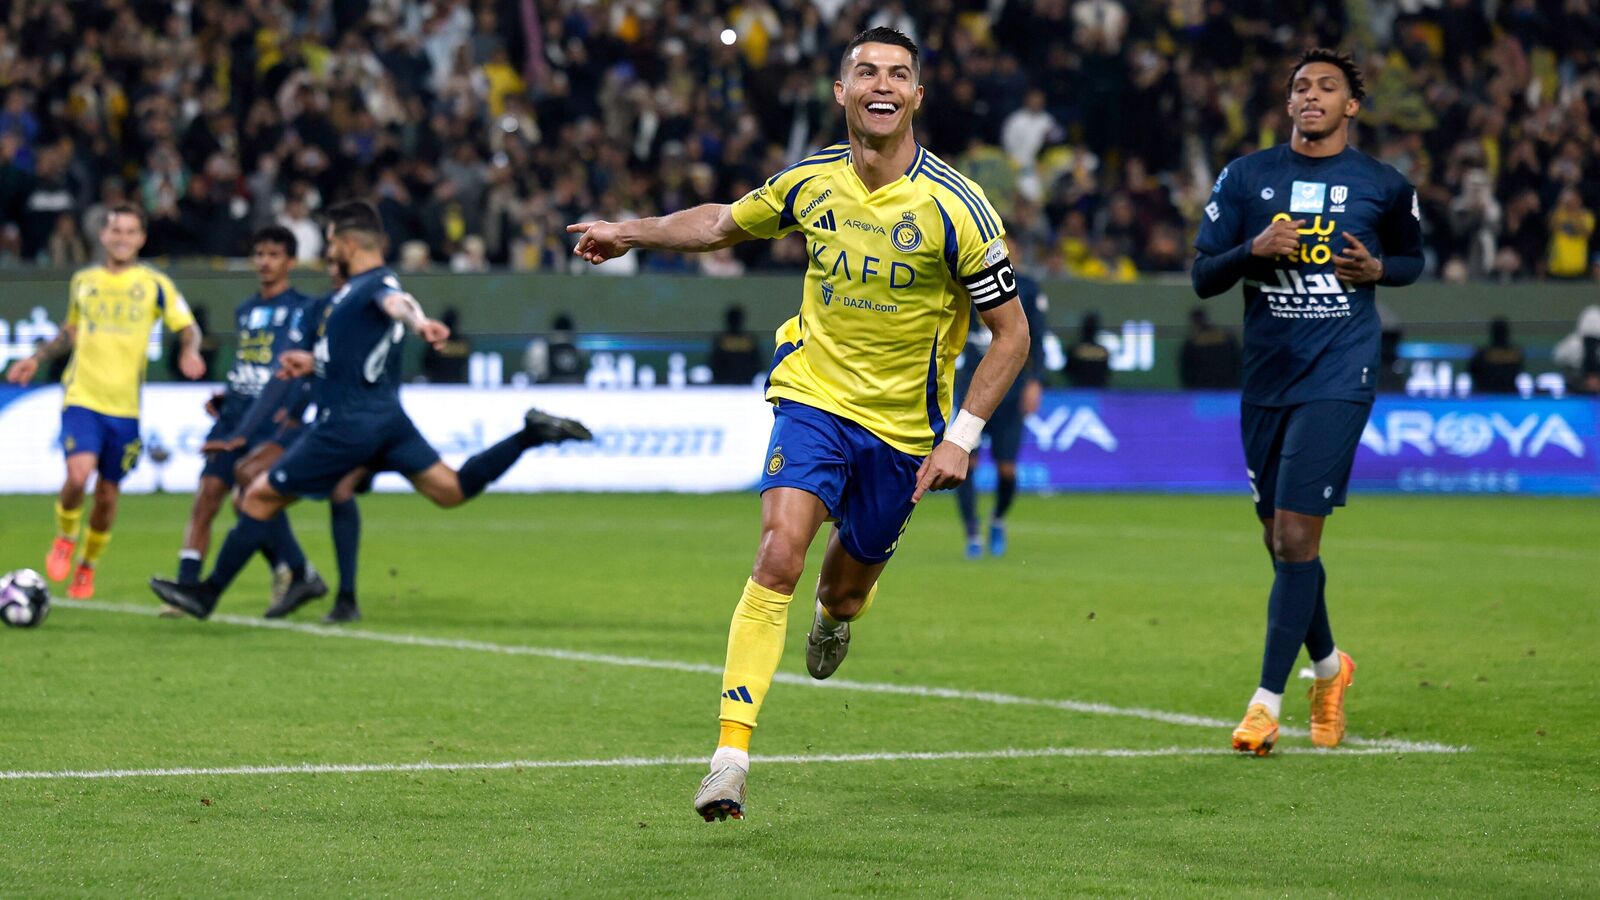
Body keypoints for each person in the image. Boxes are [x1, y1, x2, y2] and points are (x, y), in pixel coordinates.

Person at [568, 27, 1030, 824]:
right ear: (842, 91)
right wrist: (630, 229)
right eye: (865, 72)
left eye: (897, 74)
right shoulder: (810, 181)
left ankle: (830, 618)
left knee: (844, 594)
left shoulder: (958, 207)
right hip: (813, 397)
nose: (880, 85)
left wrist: (963, 435)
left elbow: (1012, 332)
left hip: (904, 434)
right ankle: (729, 757)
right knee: (778, 553)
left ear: (917, 96)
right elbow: (720, 224)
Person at [149, 201, 593, 620]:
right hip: (386, 419)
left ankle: (208, 594)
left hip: (347, 424)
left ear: (348, 244)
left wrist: (419, 323)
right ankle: (529, 435)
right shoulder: (349, 295)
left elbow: (397, 304)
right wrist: (314, 363)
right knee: (450, 490)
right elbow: (357, 351)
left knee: (259, 495)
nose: (327, 250)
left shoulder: (374, 284)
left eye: (330, 242)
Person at [1192, 49, 1423, 756]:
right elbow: (1203, 275)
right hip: (1266, 379)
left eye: (1327, 87)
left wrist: (1380, 269)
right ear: (1288, 104)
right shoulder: (1248, 176)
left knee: (1296, 538)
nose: (1311, 96)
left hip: (1339, 372)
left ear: (1352, 105)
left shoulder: (1382, 185)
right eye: (1300, 87)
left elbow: (1412, 260)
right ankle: (1330, 667)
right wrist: (1252, 251)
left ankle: (1265, 705)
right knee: (1280, 541)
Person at [3, 204, 206, 599]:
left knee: (108, 495)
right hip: (82, 396)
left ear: (141, 238)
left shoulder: (154, 285)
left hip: (125, 408)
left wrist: (189, 351)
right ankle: (65, 537)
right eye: (116, 230)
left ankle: (87, 565)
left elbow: (190, 328)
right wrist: (36, 358)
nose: (122, 238)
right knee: (78, 476)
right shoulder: (85, 280)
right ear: (104, 235)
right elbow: (70, 331)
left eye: (131, 232)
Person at [174, 226, 325, 607]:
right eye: (259, 254)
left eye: (274, 255)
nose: (264, 262)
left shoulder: (305, 309)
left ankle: (294, 571)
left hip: (272, 421)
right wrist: (228, 395)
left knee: (250, 499)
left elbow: (302, 368)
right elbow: (250, 363)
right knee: (208, 495)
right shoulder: (246, 310)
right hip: (236, 415)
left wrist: (294, 410)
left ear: (290, 262)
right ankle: (185, 586)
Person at [954, 234, 1048, 558]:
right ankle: (972, 534)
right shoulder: (962, 280)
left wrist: (1036, 381)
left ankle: (997, 519)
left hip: (1011, 389)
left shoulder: (1028, 287)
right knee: (965, 462)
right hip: (971, 387)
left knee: (1007, 469)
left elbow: (1037, 337)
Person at [1178, 306, 1242, 389]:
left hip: (1202, 386)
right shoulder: (1226, 338)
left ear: (1194, 322)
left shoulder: (1192, 343)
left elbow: (1186, 368)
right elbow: (1237, 361)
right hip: (1226, 385)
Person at [707, 304, 764, 386]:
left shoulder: (749, 340)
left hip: (741, 384)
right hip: (727, 384)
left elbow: (758, 364)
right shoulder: (749, 340)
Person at [1467, 317, 1524, 395]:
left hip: (1495, 395)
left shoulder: (1482, 353)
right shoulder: (1515, 353)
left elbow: (1472, 370)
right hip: (1493, 395)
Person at [1064, 311, 1110, 387]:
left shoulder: (1074, 349)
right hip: (1092, 392)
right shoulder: (1103, 351)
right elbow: (1106, 374)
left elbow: (1067, 370)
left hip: (1080, 391)